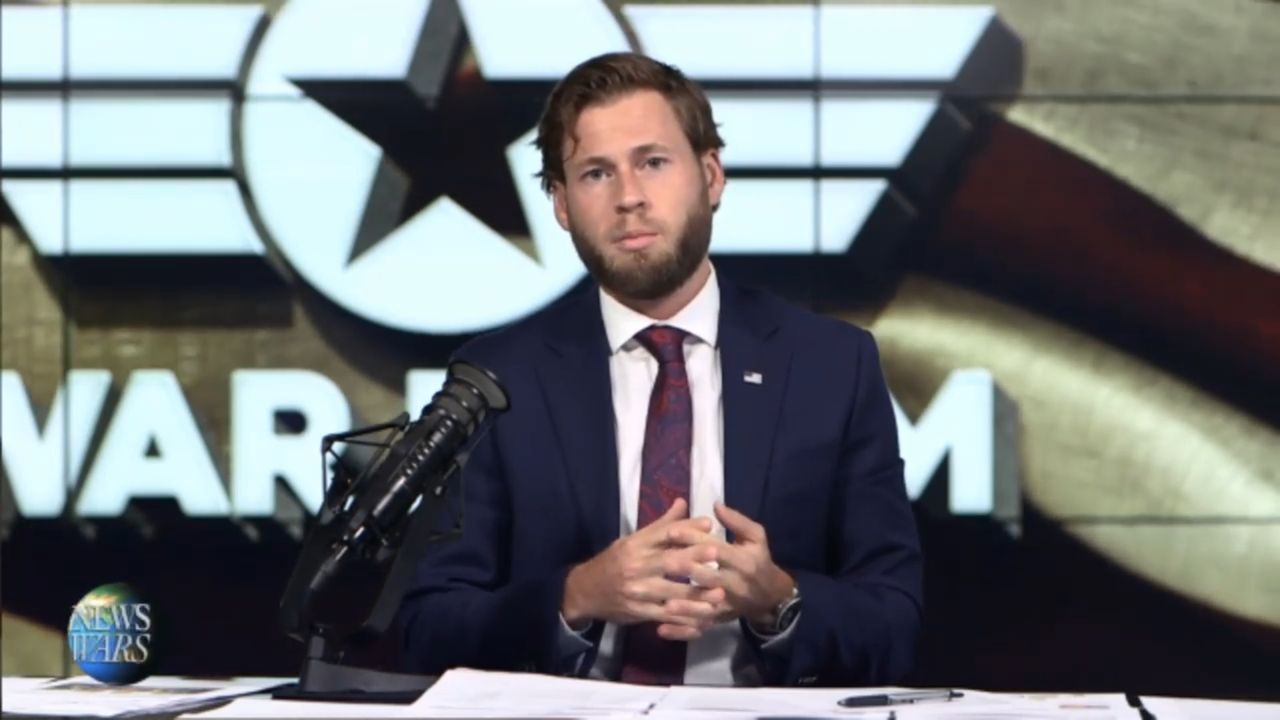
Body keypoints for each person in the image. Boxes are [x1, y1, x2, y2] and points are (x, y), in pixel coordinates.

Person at [398, 52, 921, 687]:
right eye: (596, 173)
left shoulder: (832, 366)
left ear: (711, 175)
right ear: (561, 204)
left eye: (652, 162)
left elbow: (894, 623)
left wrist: (778, 599)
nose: (629, 198)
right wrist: (576, 595)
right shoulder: (498, 377)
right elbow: (428, 627)